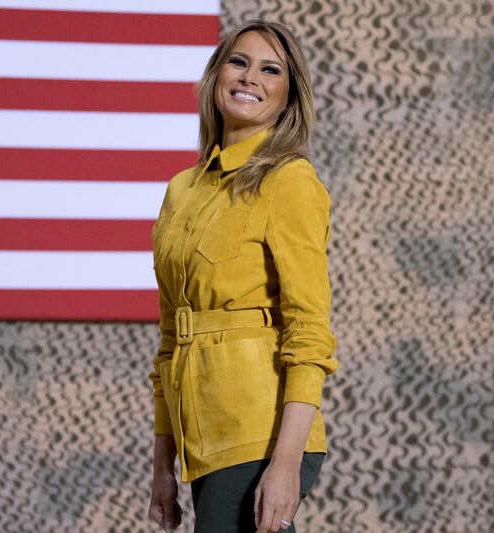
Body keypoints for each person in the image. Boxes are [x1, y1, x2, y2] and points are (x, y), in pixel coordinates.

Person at [146, 20, 339, 533]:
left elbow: (309, 332)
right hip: (200, 438)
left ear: (286, 95)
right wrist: (163, 467)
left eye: (270, 69)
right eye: (239, 62)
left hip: (261, 432)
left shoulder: (290, 182)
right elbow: (171, 341)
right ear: (215, 76)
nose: (250, 77)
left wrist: (285, 465)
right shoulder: (181, 191)